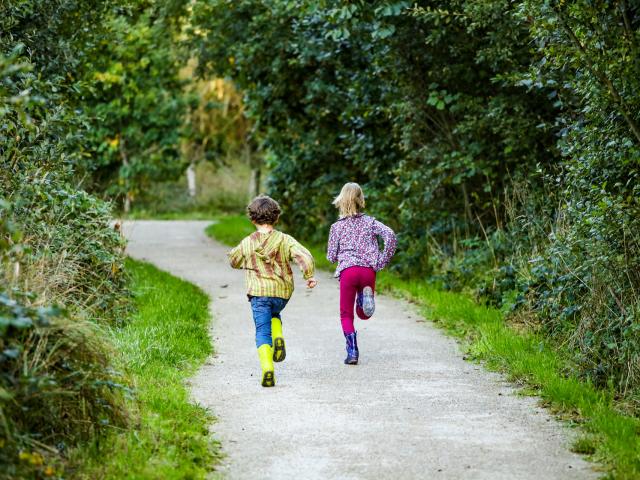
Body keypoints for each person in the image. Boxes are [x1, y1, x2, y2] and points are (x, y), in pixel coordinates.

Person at [229, 195, 317, 387]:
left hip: (259, 294)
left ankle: (268, 368)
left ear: (252, 219)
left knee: (262, 331)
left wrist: (243, 260)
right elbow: (304, 255)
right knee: (275, 312)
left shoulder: (247, 242)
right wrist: (309, 275)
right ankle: (278, 337)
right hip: (281, 293)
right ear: (276, 218)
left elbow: (234, 260)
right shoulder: (285, 240)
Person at [327, 183, 397, 365]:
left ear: (341, 200)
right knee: (364, 314)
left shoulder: (337, 227)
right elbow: (390, 236)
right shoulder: (371, 222)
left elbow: (330, 256)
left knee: (346, 315)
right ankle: (363, 301)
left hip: (348, 271)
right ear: (361, 200)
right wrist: (381, 260)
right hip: (368, 271)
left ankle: (352, 351)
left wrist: (339, 256)